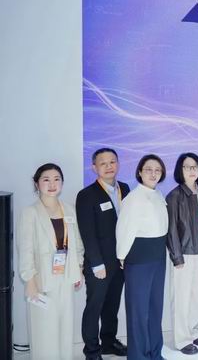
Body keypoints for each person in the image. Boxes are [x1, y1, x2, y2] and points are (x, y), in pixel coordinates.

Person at [17, 163, 84, 360]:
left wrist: (79, 268)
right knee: (44, 330)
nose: (52, 184)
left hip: (66, 276)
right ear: (36, 183)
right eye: (46, 179)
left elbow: (77, 243)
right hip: (41, 280)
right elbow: (25, 250)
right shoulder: (30, 212)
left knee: (65, 328)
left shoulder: (69, 210)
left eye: (57, 179)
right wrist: (29, 281)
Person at [76, 148, 129, 359]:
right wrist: (97, 264)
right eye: (103, 163)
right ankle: (91, 350)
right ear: (94, 167)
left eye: (112, 162)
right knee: (94, 307)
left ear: (118, 164)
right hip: (99, 263)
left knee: (112, 305)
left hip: (121, 261)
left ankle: (109, 342)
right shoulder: (86, 195)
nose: (109, 166)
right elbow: (87, 233)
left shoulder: (125, 189)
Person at [116, 154, 169, 360]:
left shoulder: (158, 195)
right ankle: (138, 356)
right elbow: (124, 229)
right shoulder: (133, 198)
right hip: (139, 259)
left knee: (155, 308)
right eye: (148, 169)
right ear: (139, 172)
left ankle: (155, 352)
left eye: (157, 170)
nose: (153, 174)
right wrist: (122, 255)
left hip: (158, 257)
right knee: (138, 312)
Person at [166, 153, 198, 355]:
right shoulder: (175, 195)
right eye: (187, 167)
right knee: (181, 297)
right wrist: (177, 257)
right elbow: (171, 229)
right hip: (183, 252)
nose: (192, 170)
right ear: (180, 170)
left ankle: (192, 332)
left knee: (195, 294)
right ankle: (181, 339)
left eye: (195, 166)